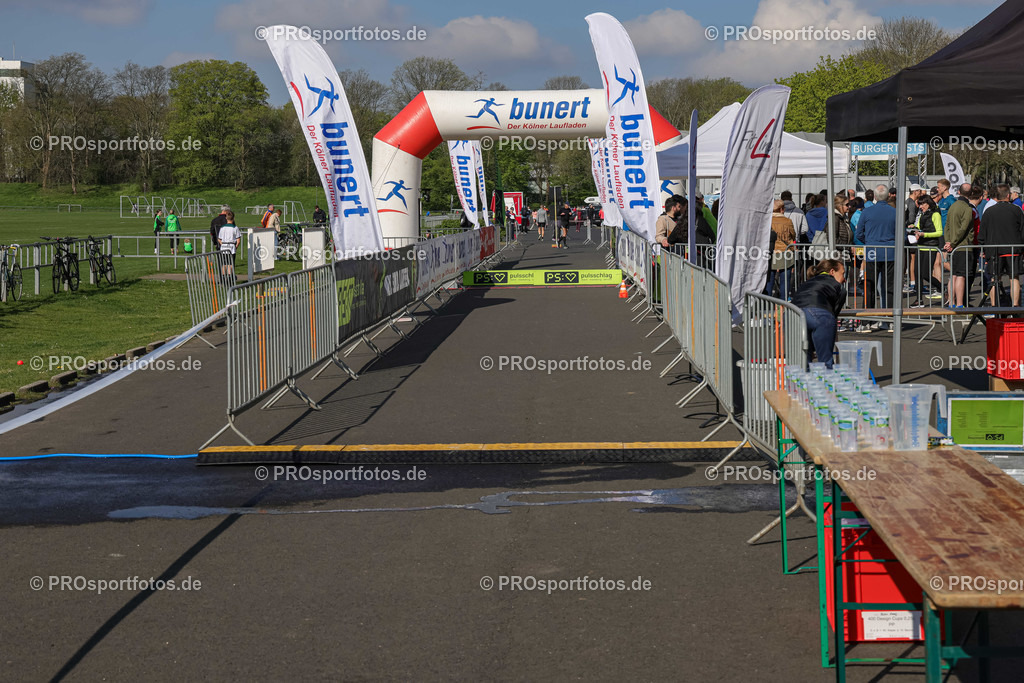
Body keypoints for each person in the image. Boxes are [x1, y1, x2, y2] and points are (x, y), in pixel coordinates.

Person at [792, 258, 847, 368]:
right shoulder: (837, 286)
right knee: (825, 361)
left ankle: (804, 383)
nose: (844, 279)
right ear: (832, 272)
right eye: (842, 274)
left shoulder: (807, 283)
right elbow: (834, 313)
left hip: (794, 315)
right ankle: (827, 382)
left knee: (803, 362)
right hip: (819, 313)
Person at [979, 184, 1024, 306]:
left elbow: (982, 233)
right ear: (1008, 195)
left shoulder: (989, 211)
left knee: (994, 279)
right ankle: (1015, 307)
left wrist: (983, 248)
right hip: (1013, 249)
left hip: (994, 250)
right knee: (1014, 278)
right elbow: (1022, 230)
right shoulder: (1016, 210)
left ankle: (994, 306)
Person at [855, 185, 896, 317]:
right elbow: (902, 234)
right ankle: (890, 319)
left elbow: (858, 233)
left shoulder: (867, 212)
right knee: (889, 287)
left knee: (869, 286)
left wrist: (869, 241)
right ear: (888, 196)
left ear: (875, 197)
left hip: (872, 252)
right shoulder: (895, 212)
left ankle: (867, 319)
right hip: (890, 252)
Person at [945, 187, 983, 308]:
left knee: (954, 275)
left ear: (959, 192)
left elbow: (947, 226)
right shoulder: (967, 208)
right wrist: (952, 243)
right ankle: (960, 303)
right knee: (961, 275)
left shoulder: (953, 206)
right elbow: (964, 228)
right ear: (971, 194)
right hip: (963, 246)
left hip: (954, 245)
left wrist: (948, 241)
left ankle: (952, 302)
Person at [909, 195, 943, 307]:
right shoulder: (922, 214)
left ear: (928, 203)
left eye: (923, 203)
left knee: (925, 274)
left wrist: (924, 234)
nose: (921, 206)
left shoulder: (936, 214)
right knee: (917, 273)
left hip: (931, 246)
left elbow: (939, 232)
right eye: (919, 204)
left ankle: (943, 288)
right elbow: (919, 226)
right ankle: (919, 300)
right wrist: (913, 227)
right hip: (921, 245)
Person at [766, 200, 797, 299]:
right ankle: (783, 303)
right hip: (785, 252)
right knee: (785, 279)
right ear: (781, 209)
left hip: (771, 252)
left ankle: (767, 301)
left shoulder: (767, 221)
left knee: (769, 279)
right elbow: (793, 235)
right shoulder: (787, 221)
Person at [217, 210, 242, 278]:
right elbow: (238, 240)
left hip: (224, 247)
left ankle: (223, 277)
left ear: (226, 218)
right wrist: (235, 246)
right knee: (230, 264)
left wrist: (223, 244)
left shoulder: (222, 228)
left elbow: (219, 239)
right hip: (231, 247)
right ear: (233, 218)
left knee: (224, 263)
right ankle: (229, 277)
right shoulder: (235, 228)